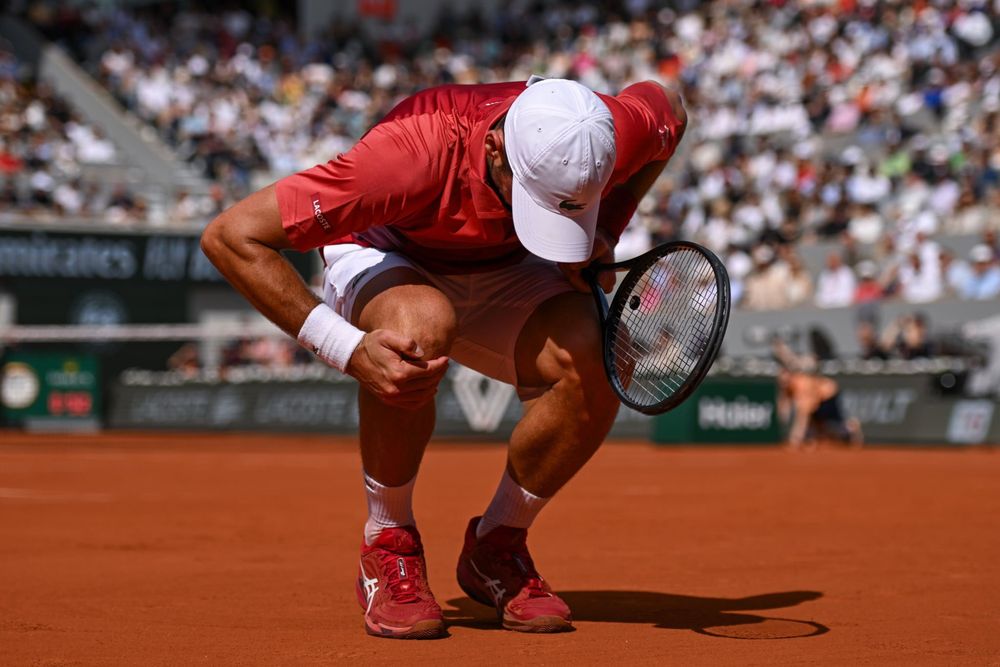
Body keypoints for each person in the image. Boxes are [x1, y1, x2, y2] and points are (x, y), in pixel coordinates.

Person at [201, 77, 687, 638]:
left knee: (599, 362)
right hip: (388, 252)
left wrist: (602, 228)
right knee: (418, 331)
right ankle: (388, 540)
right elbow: (231, 236)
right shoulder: (406, 157)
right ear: (495, 147)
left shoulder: (604, 127)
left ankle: (498, 544)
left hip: (508, 264)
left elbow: (671, 108)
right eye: (536, 200)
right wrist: (349, 348)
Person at [772, 338, 863, 450]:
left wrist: (795, 439)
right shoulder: (789, 384)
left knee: (831, 423)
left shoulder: (801, 383)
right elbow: (784, 406)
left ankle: (852, 426)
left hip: (828, 397)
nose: (782, 381)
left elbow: (803, 415)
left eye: (784, 378)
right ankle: (822, 438)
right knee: (819, 425)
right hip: (820, 397)